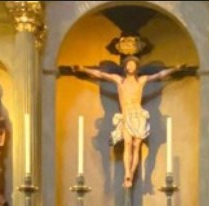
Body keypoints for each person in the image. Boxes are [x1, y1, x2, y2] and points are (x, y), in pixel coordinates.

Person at [75, 56, 185, 188]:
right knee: (127, 143)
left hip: (138, 115)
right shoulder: (119, 80)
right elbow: (101, 74)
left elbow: (159, 75)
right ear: (125, 66)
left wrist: (175, 69)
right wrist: (83, 69)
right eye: (128, 64)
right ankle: (127, 174)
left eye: (133, 65)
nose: (130, 67)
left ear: (136, 67)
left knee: (136, 145)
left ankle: (131, 174)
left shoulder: (141, 81)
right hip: (126, 115)